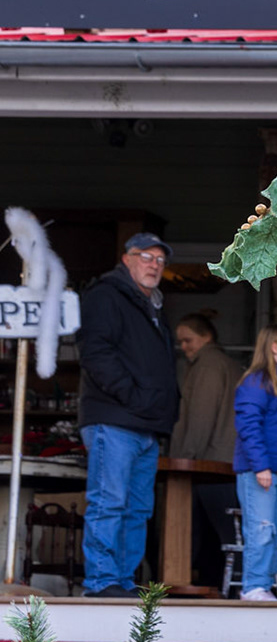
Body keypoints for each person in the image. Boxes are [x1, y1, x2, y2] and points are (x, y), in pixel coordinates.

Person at [77, 232, 182, 597]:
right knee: (110, 502)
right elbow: (96, 354)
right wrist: (133, 397)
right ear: (127, 259)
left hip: (145, 424)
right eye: (146, 257)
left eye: (160, 260)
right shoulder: (106, 295)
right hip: (115, 419)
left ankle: (121, 582)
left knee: (137, 509)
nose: (154, 265)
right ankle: (101, 582)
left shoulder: (151, 305)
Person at [231, 325, 277, 603]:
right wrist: (261, 466)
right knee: (261, 529)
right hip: (261, 471)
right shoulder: (255, 382)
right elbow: (248, 426)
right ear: (274, 347)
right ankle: (253, 587)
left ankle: (261, 584)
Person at [170, 311, 242, 463]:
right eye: (180, 342)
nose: (183, 347)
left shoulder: (208, 366)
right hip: (227, 457)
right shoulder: (226, 363)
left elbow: (202, 416)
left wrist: (187, 458)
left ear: (207, 337)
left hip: (209, 461)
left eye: (188, 340)